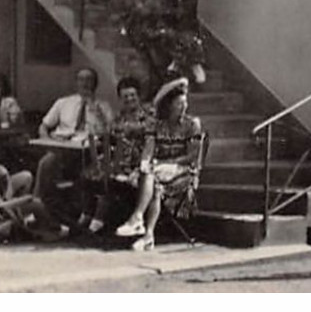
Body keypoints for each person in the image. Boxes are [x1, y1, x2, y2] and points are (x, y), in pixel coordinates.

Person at [121, 77, 203, 251]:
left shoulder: (192, 124)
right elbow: (149, 149)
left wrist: (163, 163)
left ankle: (137, 218)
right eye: (179, 104)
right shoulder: (156, 124)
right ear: (168, 106)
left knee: (150, 176)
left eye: (185, 103)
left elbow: (192, 156)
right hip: (159, 170)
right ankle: (148, 235)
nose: (183, 107)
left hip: (183, 170)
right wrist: (145, 163)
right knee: (153, 183)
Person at [33, 67, 115, 224]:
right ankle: (36, 205)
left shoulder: (103, 106)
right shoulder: (63, 102)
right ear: (76, 82)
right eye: (81, 79)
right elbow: (43, 126)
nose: (85, 83)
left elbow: (110, 132)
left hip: (88, 151)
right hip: (62, 148)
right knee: (46, 162)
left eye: (89, 79)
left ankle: (81, 215)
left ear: (95, 84)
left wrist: (99, 115)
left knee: (90, 170)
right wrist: (47, 142)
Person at [90, 76, 155, 235]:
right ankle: (91, 218)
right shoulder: (119, 118)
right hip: (120, 162)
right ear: (120, 98)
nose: (129, 99)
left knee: (108, 174)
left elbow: (151, 143)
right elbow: (110, 138)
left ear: (138, 96)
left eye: (132, 95)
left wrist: (138, 168)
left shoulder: (149, 115)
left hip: (141, 162)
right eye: (125, 96)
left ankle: (97, 221)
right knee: (93, 169)